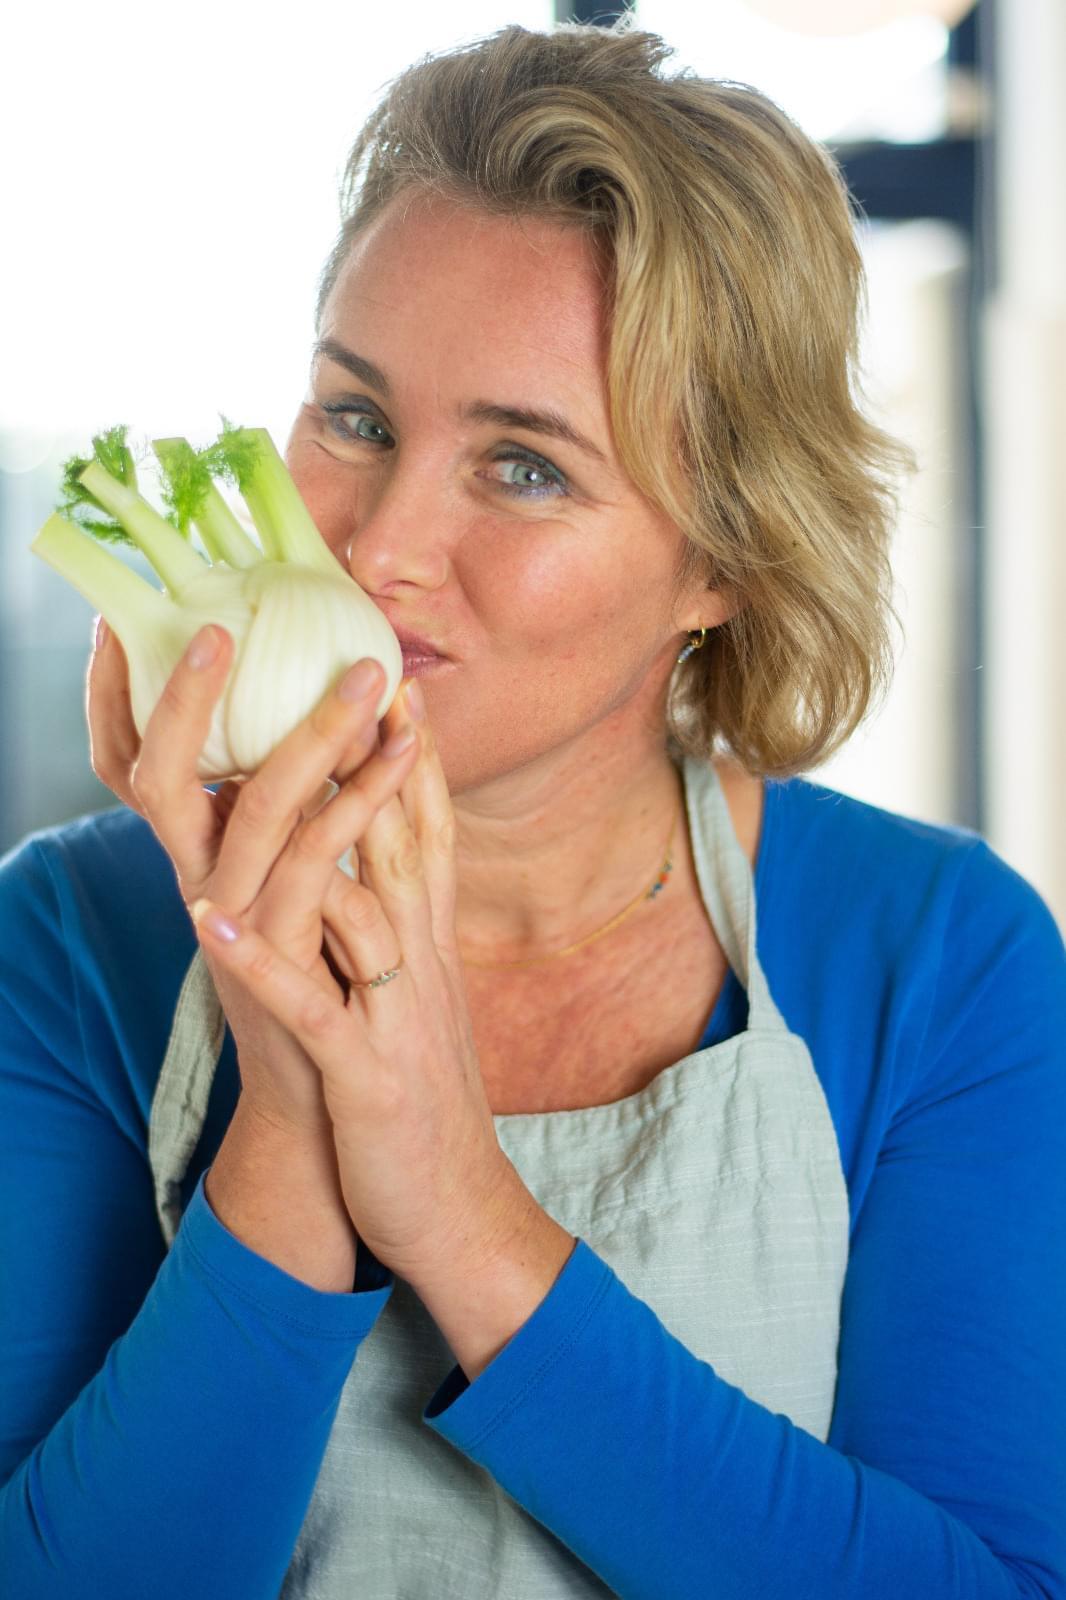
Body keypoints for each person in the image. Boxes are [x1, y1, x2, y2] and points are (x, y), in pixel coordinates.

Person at [1, 20, 1063, 1600]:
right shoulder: (73, 937)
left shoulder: (936, 957)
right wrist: (288, 1095)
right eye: (355, 419)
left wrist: (457, 1204)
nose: (375, 550)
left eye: (525, 469)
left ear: (723, 564)